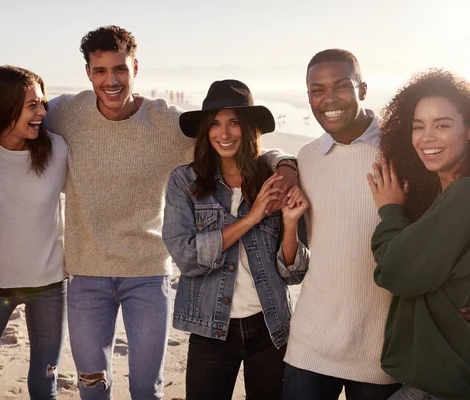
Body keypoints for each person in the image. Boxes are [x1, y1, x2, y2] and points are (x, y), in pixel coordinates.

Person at [44, 25, 299, 400]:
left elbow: (231, 141)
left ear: (135, 67)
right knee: (91, 383)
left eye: (120, 69)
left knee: (147, 388)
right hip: (86, 272)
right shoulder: (64, 113)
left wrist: (285, 163)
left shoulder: (166, 121)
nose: (111, 80)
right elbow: (13, 118)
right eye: (100, 71)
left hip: (147, 273)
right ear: (88, 73)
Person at [162, 79, 310, 400]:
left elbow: (293, 273)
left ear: (249, 128)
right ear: (205, 130)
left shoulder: (274, 180)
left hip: (270, 327)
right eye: (214, 124)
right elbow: (187, 258)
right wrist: (251, 218)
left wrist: (289, 223)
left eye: (233, 123)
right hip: (210, 328)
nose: (224, 133)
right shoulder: (183, 181)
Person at [281, 49, 402, 400]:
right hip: (310, 343)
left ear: (362, 89)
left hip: (380, 350)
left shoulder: (400, 151)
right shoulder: (306, 157)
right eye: (317, 90)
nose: (328, 99)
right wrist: (283, 164)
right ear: (308, 97)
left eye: (341, 86)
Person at [0, 66, 68, 400]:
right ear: (5, 107)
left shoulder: (58, 149)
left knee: (44, 383)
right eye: (31, 106)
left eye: (42, 103)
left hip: (50, 285)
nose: (42, 113)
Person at [367, 69, 470, 400]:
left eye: (442, 125)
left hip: (441, 388)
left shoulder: (463, 194)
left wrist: (389, 211)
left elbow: (395, 272)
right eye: (418, 126)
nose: (427, 137)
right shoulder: (445, 196)